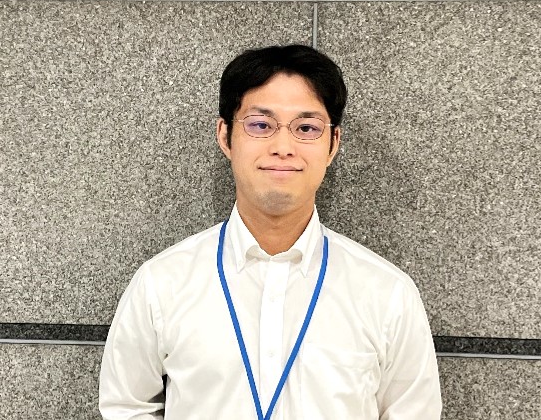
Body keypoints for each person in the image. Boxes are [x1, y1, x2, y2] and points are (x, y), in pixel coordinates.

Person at [99, 44, 442, 419]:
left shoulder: (387, 294)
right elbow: (126, 407)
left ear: (333, 143)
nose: (283, 147)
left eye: (306, 128)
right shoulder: (161, 284)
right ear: (225, 136)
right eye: (261, 125)